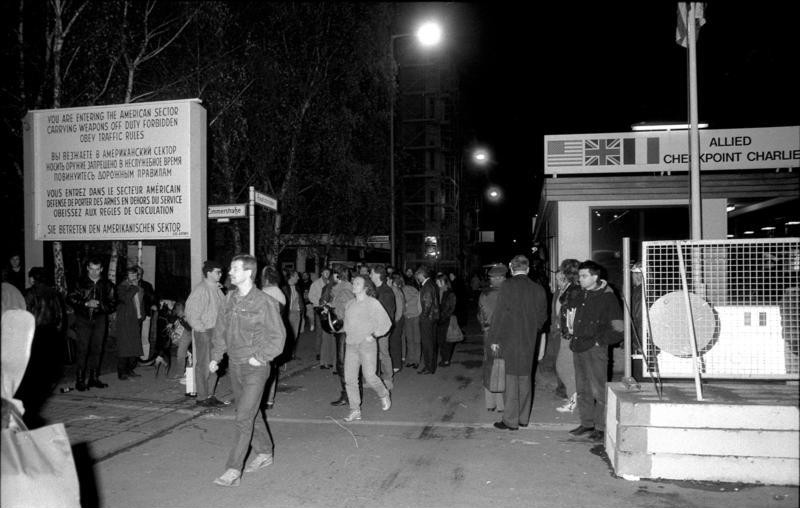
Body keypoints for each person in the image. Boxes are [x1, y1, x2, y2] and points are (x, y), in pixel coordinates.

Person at [209, 254, 286, 487]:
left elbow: (278, 337)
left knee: (243, 416)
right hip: (234, 364)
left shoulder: (264, 302)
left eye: (234, 269)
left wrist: (260, 358)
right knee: (249, 412)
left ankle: (233, 469)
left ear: (248, 273)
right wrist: (216, 356)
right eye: (230, 268)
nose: (230, 272)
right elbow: (221, 329)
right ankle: (264, 452)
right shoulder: (230, 298)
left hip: (256, 367)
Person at [563, 260, 624, 442]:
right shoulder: (582, 294)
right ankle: (587, 423)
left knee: (598, 388)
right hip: (579, 346)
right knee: (582, 388)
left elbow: (619, 328)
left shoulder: (607, 297)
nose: (580, 279)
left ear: (595, 277)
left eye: (584, 276)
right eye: (580, 276)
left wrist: (600, 341)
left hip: (595, 349)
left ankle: (601, 427)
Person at [488, 255, 548, 431]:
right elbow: (542, 318)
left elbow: (499, 314)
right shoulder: (538, 289)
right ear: (528, 269)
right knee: (525, 377)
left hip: (509, 338)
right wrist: (532, 328)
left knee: (511, 379)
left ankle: (510, 420)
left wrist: (494, 339)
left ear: (511, 268)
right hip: (529, 339)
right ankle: (523, 418)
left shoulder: (507, 286)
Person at [341, 274, 392, 422]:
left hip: (366, 345)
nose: (353, 285)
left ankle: (383, 393)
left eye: (357, 283)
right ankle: (355, 409)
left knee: (369, 376)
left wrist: (374, 335)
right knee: (350, 379)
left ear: (365, 288)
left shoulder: (373, 303)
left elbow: (386, 323)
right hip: (351, 345)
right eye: (353, 282)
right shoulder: (349, 304)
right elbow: (346, 325)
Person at [17, 267, 66, 420]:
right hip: (50, 333)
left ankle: (33, 392)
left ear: (32, 279)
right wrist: (59, 334)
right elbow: (60, 316)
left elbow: (25, 314)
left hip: (34, 332)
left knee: (34, 365)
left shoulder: (29, 293)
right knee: (47, 364)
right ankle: (43, 388)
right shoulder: (54, 293)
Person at [66, 257, 116, 391]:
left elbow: (113, 304)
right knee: (82, 349)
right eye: (91, 269)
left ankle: (94, 378)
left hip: (100, 319)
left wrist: (99, 305)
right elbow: (70, 298)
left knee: (97, 349)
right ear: (87, 268)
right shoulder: (79, 282)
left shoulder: (107, 284)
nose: (94, 272)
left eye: (97, 269)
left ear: (101, 269)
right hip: (83, 319)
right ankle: (80, 380)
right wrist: (85, 303)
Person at [184, 260, 227, 407]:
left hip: (216, 331)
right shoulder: (201, 290)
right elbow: (190, 312)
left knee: (214, 364)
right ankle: (202, 397)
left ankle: (209, 394)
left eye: (221, 272)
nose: (221, 274)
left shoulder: (217, 289)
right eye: (217, 272)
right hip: (206, 331)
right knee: (203, 364)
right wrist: (201, 329)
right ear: (208, 273)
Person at [553, 259, 581, 413]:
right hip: (567, 334)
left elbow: (572, 314)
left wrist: (570, 332)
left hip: (569, 335)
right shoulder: (570, 289)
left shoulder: (573, 290)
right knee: (565, 367)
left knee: (564, 367)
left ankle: (573, 401)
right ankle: (573, 398)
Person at [479, 263, 507, 412]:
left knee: (489, 365)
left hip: (488, 334)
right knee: (502, 366)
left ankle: (490, 403)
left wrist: (485, 327)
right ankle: (502, 404)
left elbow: (480, 315)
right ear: (502, 278)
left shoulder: (484, 294)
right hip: (504, 334)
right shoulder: (508, 294)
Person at [325, 267, 354, 406]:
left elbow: (347, 310)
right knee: (344, 363)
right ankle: (348, 394)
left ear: (338, 277)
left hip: (344, 330)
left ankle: (348, 395)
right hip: (343, 330)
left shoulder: (345, 290)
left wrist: (333, 311)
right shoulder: (342, 290)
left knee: (343, 363)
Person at [262, 265, 287, 410]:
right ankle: (269, 399)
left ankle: (263, 397)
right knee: (272, 367)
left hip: (265, 333)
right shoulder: (280, 293)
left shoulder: (264, 292)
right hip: (276, 333)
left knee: (264, 367)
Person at [369, 264, 396, 390]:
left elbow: (389, 313)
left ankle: (388, 379)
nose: (370, 275)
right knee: (373, 354)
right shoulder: (374, 289)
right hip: (373, 327)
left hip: (382, 328)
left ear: (378, 275)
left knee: (384, 353)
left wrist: (383, 330)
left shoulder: (386, 291)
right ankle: (374, 379)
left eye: (372, 273)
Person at [115, 266, 144, 380]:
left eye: (135, 274)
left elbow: (139, 302)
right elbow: (126, 298)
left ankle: (130, 369)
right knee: (124, 347)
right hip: (125, 320)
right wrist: (134, 287)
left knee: (133, 346)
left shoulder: (137, 287)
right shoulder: (122, 287)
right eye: (131, 274)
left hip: (136, 319)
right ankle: (122, 372)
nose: (134, 277)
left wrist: (142, 315)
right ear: (126, 276)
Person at [415, 265, 440, 374]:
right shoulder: (431, 284)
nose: (417, 277)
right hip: (432, 318)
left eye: (418, 275)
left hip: (428, 319)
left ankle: (429, 367)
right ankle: (430, 366)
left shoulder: (427, 286)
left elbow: (427, 303)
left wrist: (422, 317)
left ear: (422, 274)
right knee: (431, 342)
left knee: (427, 344)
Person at [309, 268, 335, 369]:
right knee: (320, 331)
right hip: (319, 308)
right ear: (321, 273)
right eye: (325, 272)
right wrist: (320, 302)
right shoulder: (316, 284)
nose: (327, 274)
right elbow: (311, 296)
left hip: (329, 309)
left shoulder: (331, 283)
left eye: (328, 272)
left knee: (327, 332)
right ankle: (319, 352)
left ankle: (326, 355)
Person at [397, 274, 421, 369]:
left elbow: (417, 296)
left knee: (416, 340)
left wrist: (406, 303)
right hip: (407, 316)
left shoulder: (407, 288)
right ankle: (411, 360)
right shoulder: (400, 290)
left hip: (415, 316)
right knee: (410, 340)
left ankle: (417, 360)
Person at [282, 270, 305, 359]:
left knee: (295, 335)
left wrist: (302, 313)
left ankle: (292, 354)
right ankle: (285, 355)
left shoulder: (297, 288)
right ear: (291, 277)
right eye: (297, 276)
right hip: (288, 314)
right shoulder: (284, 288)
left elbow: (300, 301)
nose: (298, 278)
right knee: (287, 335)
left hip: (297, 313)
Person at [436, 273, 458, 367]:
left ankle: (446, 360)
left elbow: (451, 308)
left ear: (443, 281)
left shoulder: (450, 293)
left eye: (438, 281)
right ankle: (444, 358)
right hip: (439, 319)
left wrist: (443, 316)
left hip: (447, 320)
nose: (436, 283)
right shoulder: (438, 291)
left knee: (447, 341)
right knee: (441, 340)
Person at [387, 273, 406, 373]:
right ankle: (397, 363)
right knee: (396, 341)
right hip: (400, 318)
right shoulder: (398, 289)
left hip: (397, 320)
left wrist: (395, 320)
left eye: (389, 280)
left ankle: (396, 365)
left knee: (394, 342)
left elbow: (399, 307)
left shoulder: (394, 290)